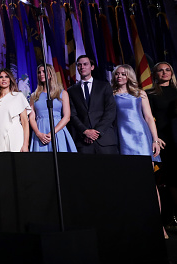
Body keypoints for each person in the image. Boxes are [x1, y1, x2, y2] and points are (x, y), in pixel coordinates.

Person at [112, 64, 168, 238]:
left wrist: (155, 139)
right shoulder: (111, 95)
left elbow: (149, 117)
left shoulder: (140, 93)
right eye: (117, 74)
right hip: (122, 140)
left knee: (149, 184)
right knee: (129, 184)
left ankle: (160, 226)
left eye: (123, 74)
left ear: (129, 76)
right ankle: (138, 225)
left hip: (141, 140)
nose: (119, 76)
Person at [67, 55, 118, 154]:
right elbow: (72, 115)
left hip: (105, 140)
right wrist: (85, 131)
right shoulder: (71, 91)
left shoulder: (104, 86)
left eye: (85, 64)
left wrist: (96, 132)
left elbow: (110, 111)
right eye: (79, 65)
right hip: (83, 142)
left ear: (92, 67)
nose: (82, 67)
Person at [147, 62, 177, 232]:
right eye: (161, 70)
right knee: (167, 179)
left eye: (168, 70)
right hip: (163, 141)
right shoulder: (149, 94)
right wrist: (155, 138)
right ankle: (167, 217)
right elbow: (147, 119)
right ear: (155, 74)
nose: (164, 73)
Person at [29, 64, 77, 152]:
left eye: (44, 71)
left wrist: (51, 133)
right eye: (39, 72)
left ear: (51, 74)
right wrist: (38, 134)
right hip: (40, 132)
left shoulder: (62, 93)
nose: (41, 74)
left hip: (57, 131)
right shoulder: (34, 95)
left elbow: (67, 117)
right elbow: (31, 117)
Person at [0, 68, 31, 153]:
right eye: (1, 77)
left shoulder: (18, 96)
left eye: (6, 77)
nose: (4, 79)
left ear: (10, 80)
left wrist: (25, 144)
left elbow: (25, 123)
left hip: (15, 136)